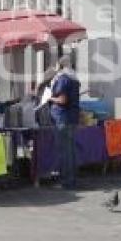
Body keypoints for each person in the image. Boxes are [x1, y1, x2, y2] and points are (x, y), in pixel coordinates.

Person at [49, 55, 80, 190]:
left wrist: (50, 98)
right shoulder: (74, 78)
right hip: (71, 118)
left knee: (64, 152)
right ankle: (71, 179)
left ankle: (66, 181)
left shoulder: (63, 79)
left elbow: (62, 100)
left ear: (60, 66)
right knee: (70, 151)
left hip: (62, 118)